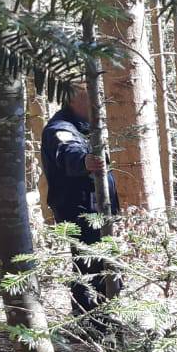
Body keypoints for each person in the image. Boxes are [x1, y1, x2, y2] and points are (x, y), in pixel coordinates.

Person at [41, 82, 121, 317]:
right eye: (90, 98)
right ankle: (90, 322)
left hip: (98, 210)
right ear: (74, 99)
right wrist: (84, 161)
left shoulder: (86, 128)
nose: (98, 105)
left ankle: (107, 316)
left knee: (104, 262)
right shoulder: (60, 128)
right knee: (88, 264)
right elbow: (68, 151)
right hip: (80, 212)